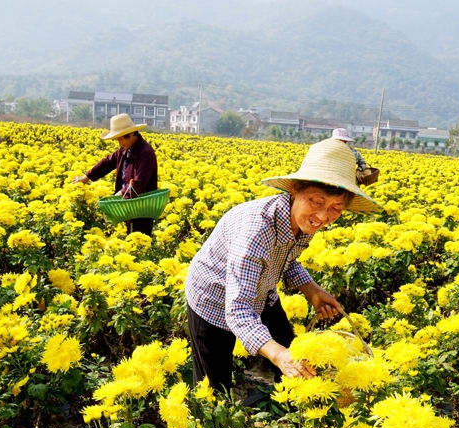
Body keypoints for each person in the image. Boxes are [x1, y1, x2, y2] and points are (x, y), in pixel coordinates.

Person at [184, 138, 381, 398]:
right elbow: (238, 309)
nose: (323, 216)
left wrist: (312, 290)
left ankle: (292, 407)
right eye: (316, 201)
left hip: (262, 292)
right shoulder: (256, 231)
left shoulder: (302, 221)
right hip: (214, 299)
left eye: (335, 208)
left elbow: (285, 260)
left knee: (294, 353)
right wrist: (277, 355)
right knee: (214, 388)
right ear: (295, 191)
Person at [72, 113, 159, 235]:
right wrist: (86, 177)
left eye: (121, 138)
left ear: (132, 133)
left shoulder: (145, 153)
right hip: (126, 207)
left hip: (140, 210)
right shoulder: (125, 149)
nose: (119, 142)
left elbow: (139, 185)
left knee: (137, 246)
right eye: (117, 139)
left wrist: (116, 197)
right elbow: (107, 162)